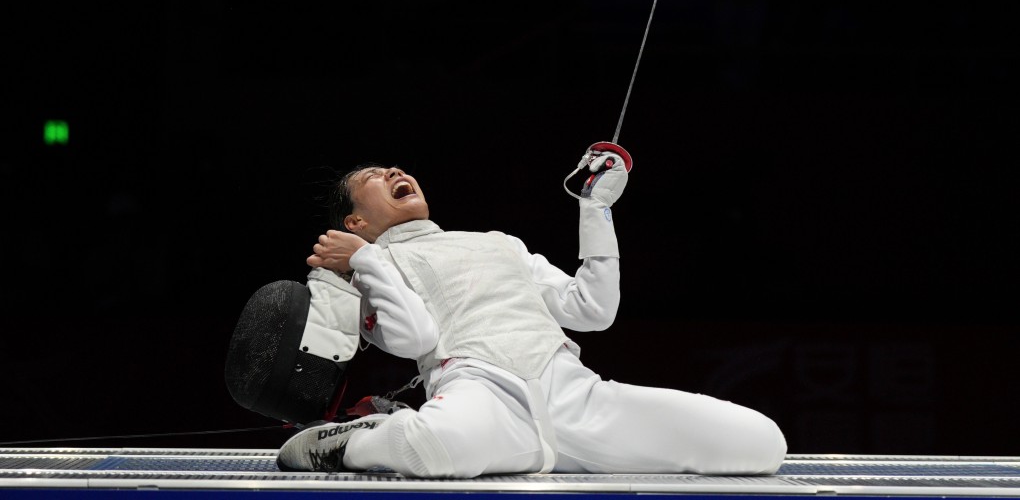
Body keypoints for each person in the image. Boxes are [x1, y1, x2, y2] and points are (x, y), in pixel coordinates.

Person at [276, 148, 787, 477]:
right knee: (430, 450)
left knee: (762, 444)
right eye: (373, 174)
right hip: (483, 397)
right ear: (355, 220)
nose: (395, 170)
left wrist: (595, 209)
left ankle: (511, 448)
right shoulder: (372, 267)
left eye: (396, 167)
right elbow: (413, 338)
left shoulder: (501, 244)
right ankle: (331, 442)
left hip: (578, 397)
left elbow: (592, 309)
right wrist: (364, 258)